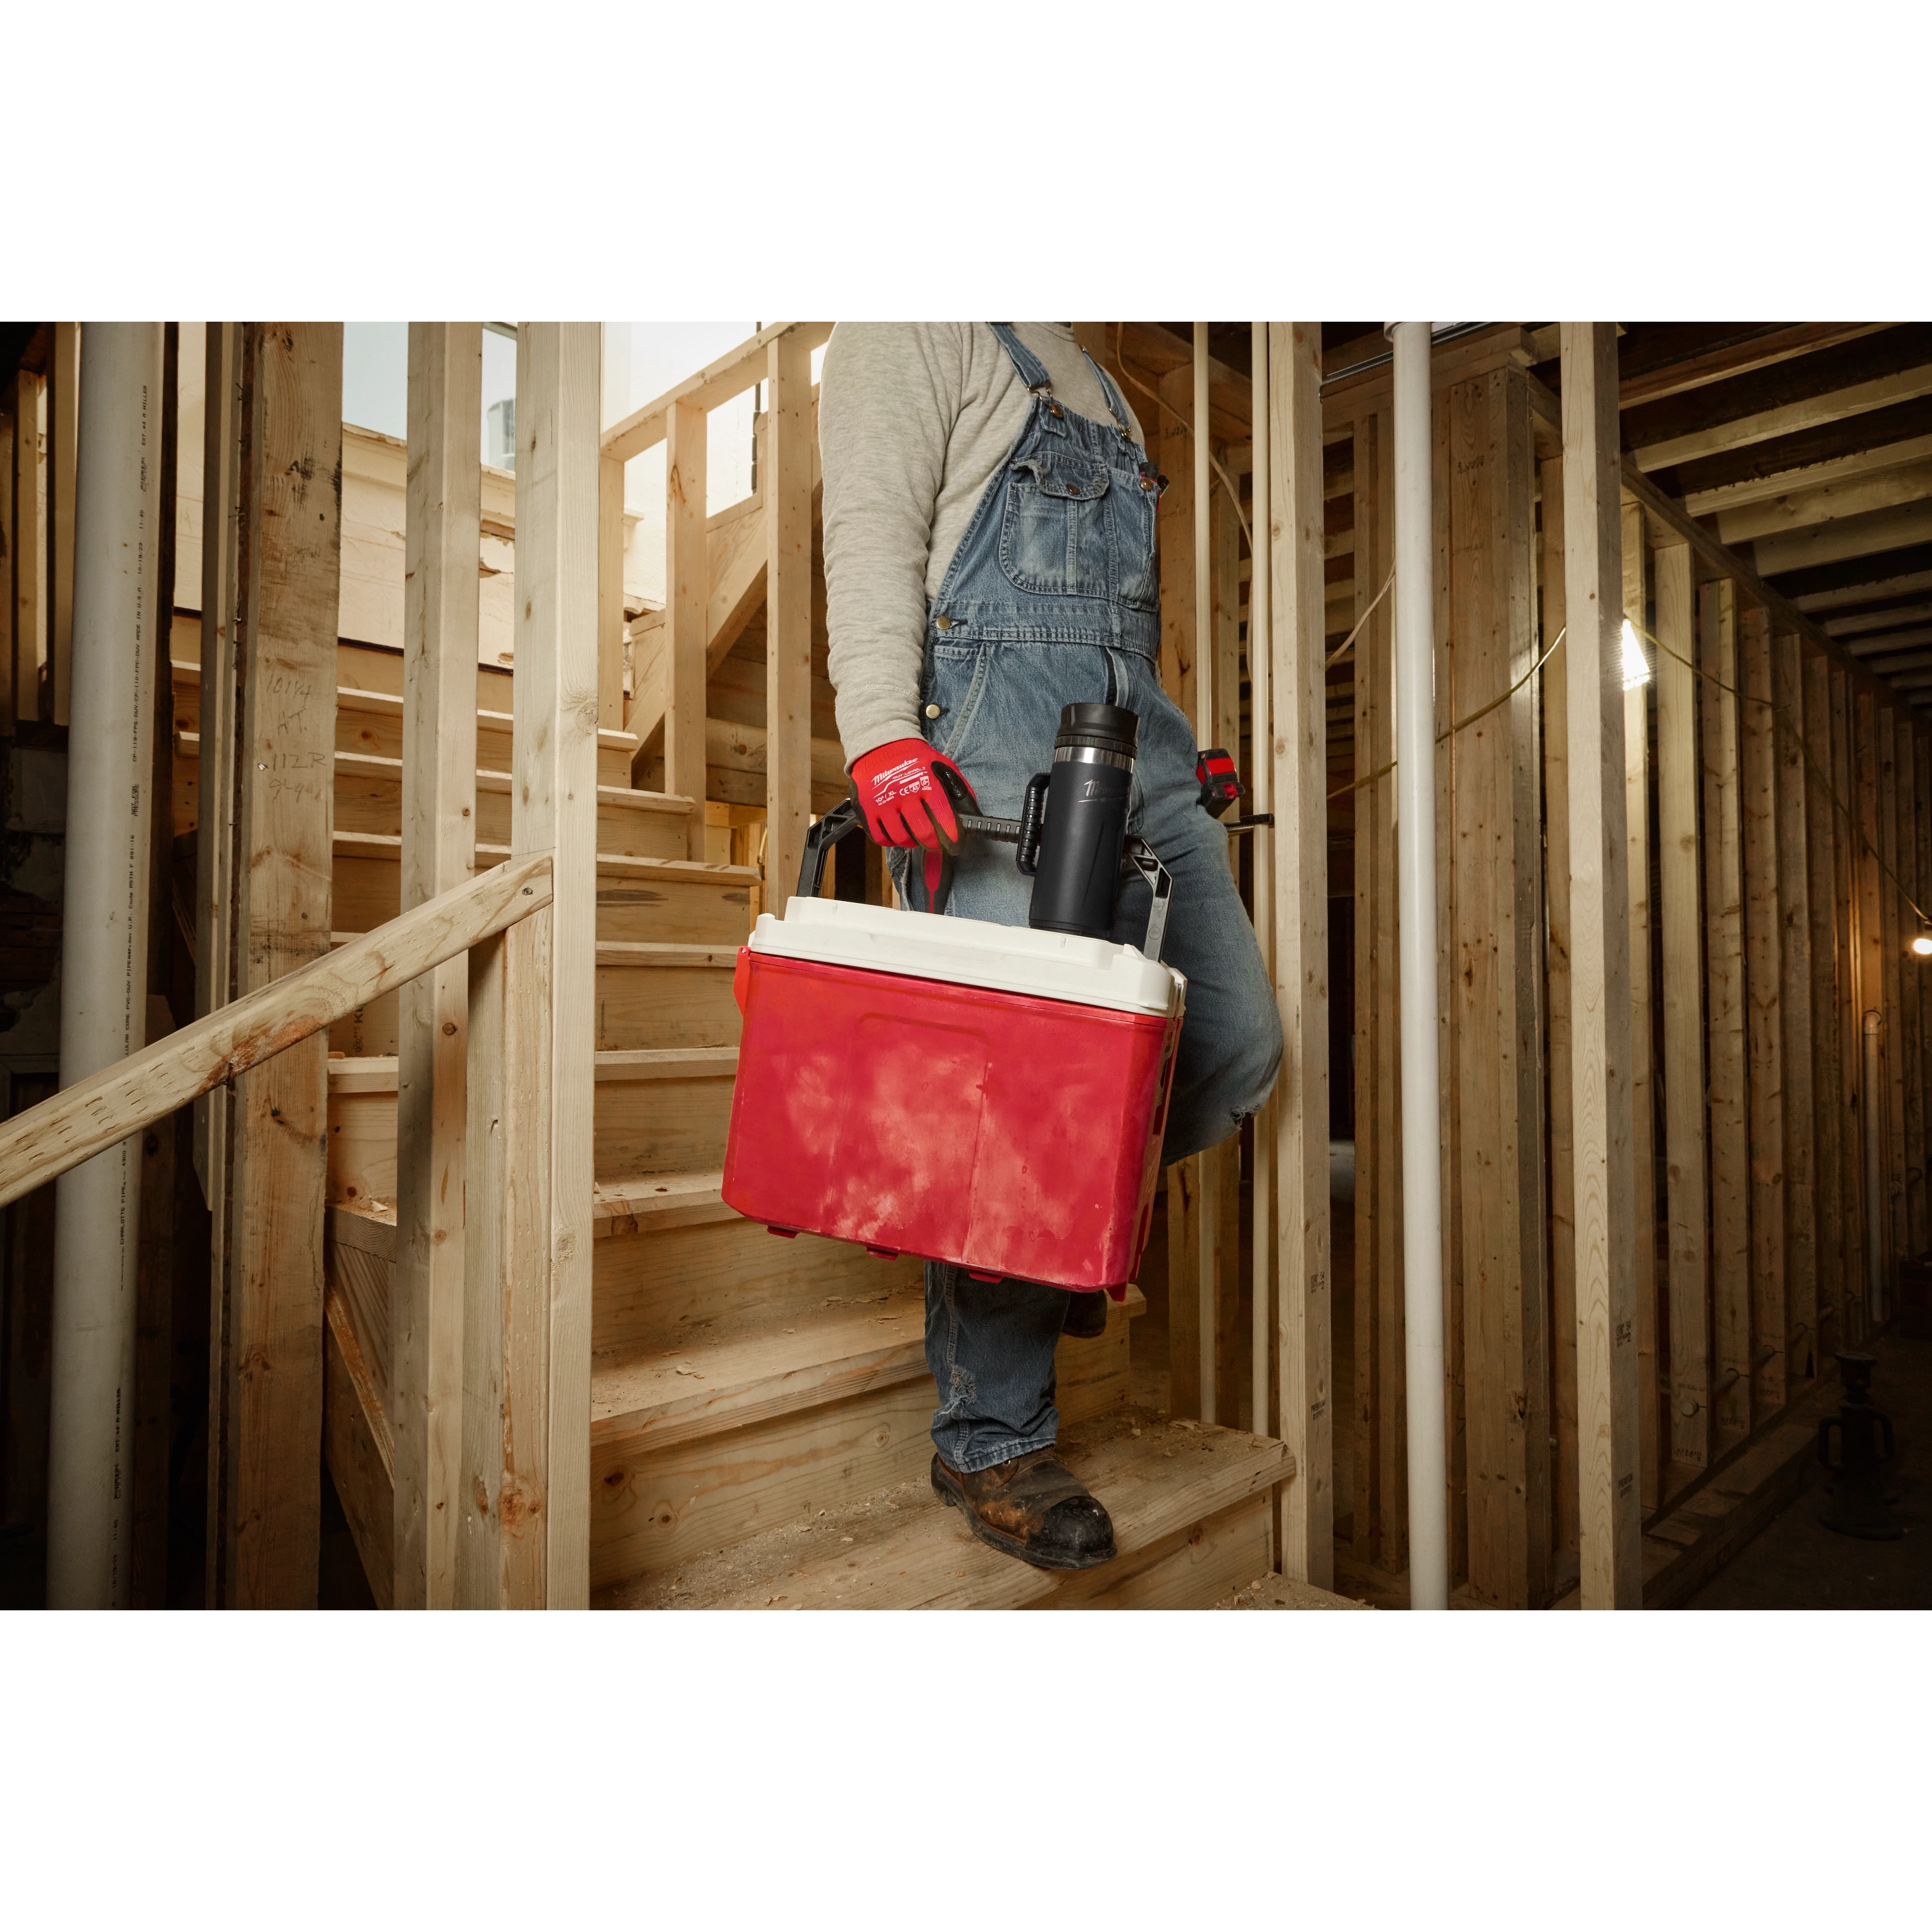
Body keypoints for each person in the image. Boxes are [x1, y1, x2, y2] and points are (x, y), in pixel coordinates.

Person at [819, 322, 1281, 1571]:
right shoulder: (913, 335)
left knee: (1236, 1042)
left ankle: (1071, 1230)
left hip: (1145, 754)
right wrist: (874, 728)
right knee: (1006, 1130)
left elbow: (1116, 621)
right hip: (989, 760)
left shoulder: (1105, 386)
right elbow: (869, 526)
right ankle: (990, 1438)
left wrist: (1182, 742)